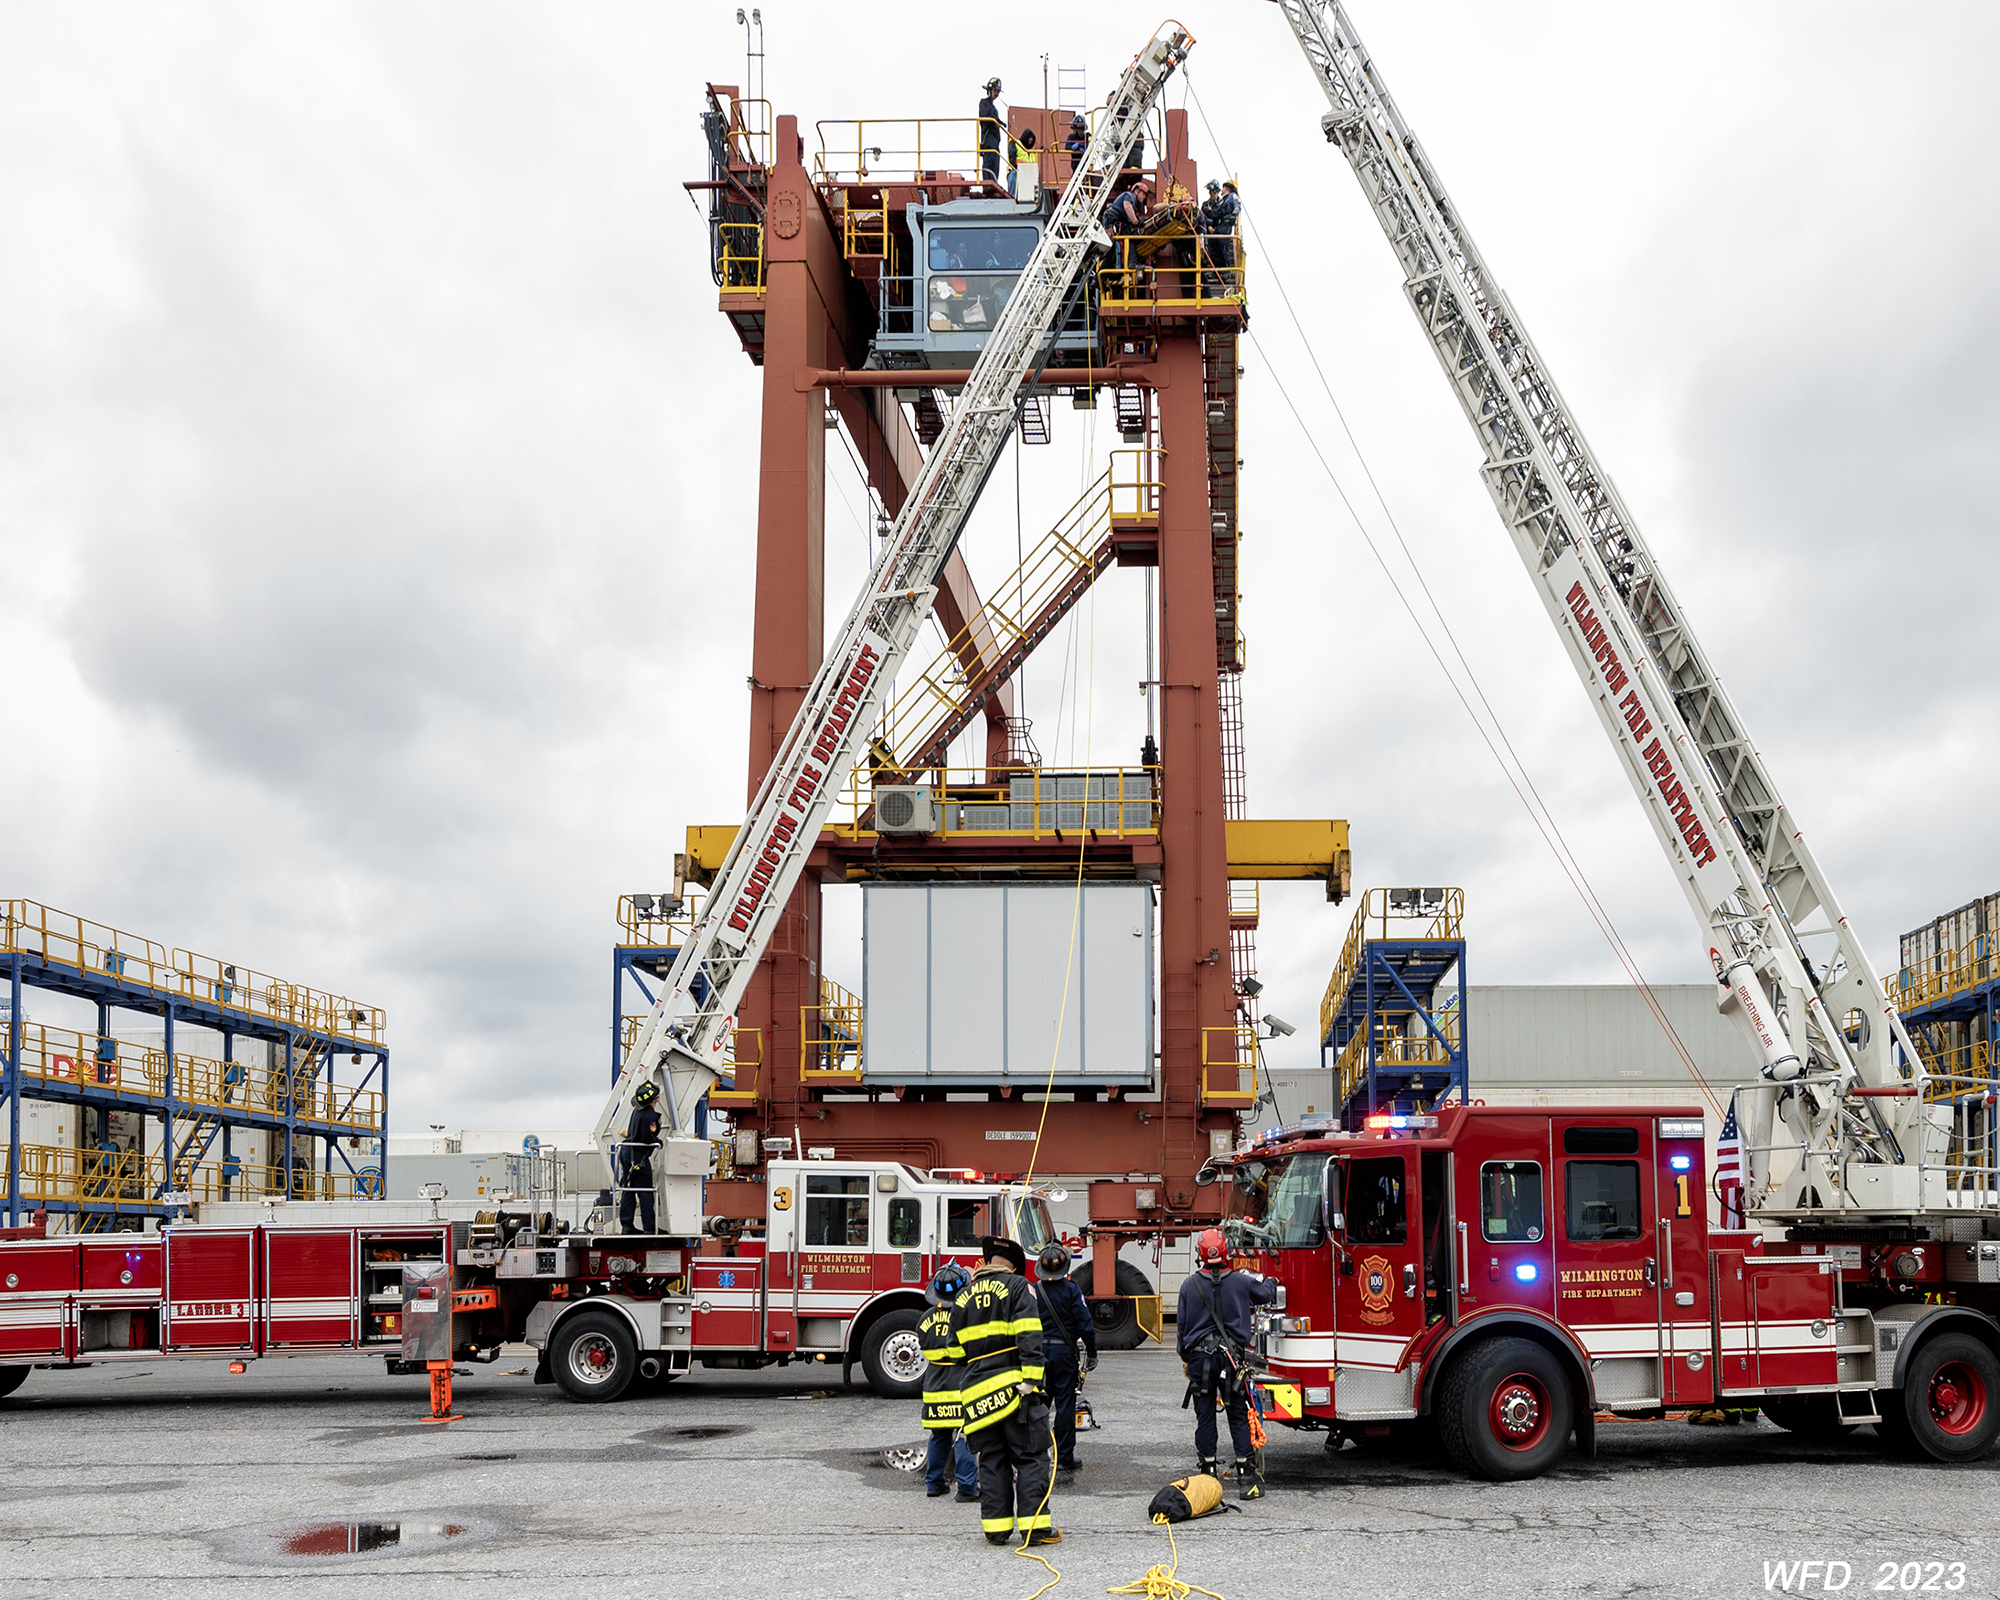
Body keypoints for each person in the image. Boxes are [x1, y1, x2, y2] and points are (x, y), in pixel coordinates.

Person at [950, 1234, 1060, 1547]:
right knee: (1031, 1458)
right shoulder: (1018, 1287)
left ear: (987, 1261)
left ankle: (996, 1531)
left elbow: (954, 1351)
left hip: (976, 1394)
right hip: (1015, 1392)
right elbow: (1029, 1335)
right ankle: (1035, 1529)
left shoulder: (963, 1296)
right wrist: (1031, 1380)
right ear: (1013, 1265)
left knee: (992, 1459)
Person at [1175, 1227, 1278, 1499]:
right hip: (1231, 1359)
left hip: (1200, 1359)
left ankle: (1208, 1477)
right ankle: (1247, 1482)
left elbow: (1182, 1329)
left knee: (1205, 1416)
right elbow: (1266, 1294)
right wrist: (1271, 1279)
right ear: (1225, 1252)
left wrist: (1187, 1358)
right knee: (1238, 1415)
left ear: (1200, 1253)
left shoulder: (1189, 1285)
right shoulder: (1240, 1282)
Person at [1033, 1243, 1098, 1475]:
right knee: (1065, 1406)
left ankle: (1034, 1456)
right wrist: (1092, 1353)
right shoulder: (1072, 1290)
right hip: (1064, 1354)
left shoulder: (1033, 1290)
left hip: (1037, 1354)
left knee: (1037, 1406)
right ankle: (1063, 1457)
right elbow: (1086, 1325)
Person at [919, 1262, 981, 1501]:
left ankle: (934, 1483)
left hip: (934, 1386)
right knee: (965, 1435)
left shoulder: (924, 1319)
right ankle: (966, 1487)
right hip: (961, 1385)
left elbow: (925, 1349)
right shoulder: (966, 1316)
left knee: (939, 1435)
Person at [617, 1080, 663, 1234]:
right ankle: (650, 1228)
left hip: (627, 1151)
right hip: (637, 1155)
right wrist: (658, 1141)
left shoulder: (637, 1110)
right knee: (645, 1191)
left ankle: (627, 1225)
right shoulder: (650, 1116)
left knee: (629, 1188)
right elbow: (647, 1138)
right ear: (656, 1099)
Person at [1198, 178, 1242, 296]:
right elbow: (1212, 214)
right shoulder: (1217, 202)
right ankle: (1217, 270)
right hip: (1217, 227)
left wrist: (1233, 216)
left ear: (1226, 187)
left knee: (1222, 244)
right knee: (1214, 246)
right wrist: (1208, 224)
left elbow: (1237, 206)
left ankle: (1226, 270)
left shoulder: (1231, 197)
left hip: (1224, 225)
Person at [977, 78, 1004, 184]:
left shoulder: (994, 108)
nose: (996, 94)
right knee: (988, 162)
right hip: (988, 139)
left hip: (995, 141)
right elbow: (986, 117)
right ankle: (988, 183)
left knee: (995, 163)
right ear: (989, 90)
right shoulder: (984, 103)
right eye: (995, 91)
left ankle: (994, 182)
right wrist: (996, 120)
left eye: (997, 92)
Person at [1009, 127, 1039, 201]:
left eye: (1032, 139)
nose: (1031, 141)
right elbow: (1011, 159)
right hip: (1016, 172)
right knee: (1013, 175)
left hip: (1027, 177)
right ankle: (1012, 198)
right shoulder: (1015, 144)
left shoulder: (1032, 153)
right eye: (1029, 138)